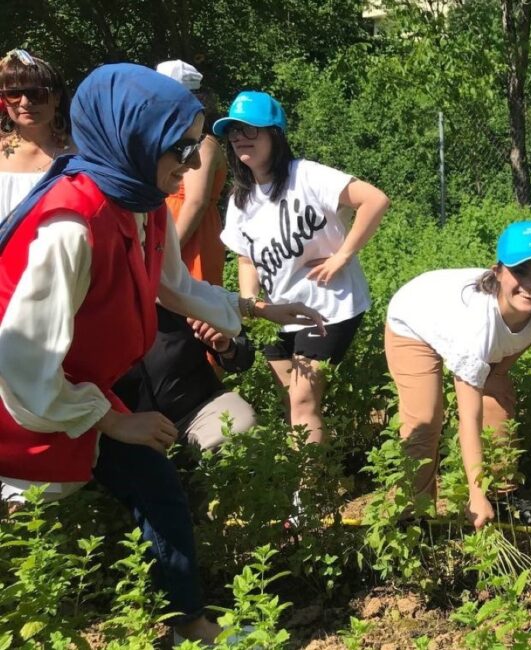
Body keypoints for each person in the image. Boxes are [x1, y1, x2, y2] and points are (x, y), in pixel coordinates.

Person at [0, 63, 324, 645]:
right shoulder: (72, 224)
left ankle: (187, 624)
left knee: (158, 488)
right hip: (24, 400)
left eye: (195, 143)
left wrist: (256, 309)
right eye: (180, 146)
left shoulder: (141, 199)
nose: (196, 163)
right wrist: (114, 422)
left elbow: (172, 284)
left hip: (85, 386)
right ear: (131, 138)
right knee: (24, 511)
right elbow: (20, 364)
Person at [217, 91, 390, 446]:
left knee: (302, 399)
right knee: (291, 402)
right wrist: (251, 303)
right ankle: (315, 475)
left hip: (328, 307)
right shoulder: (240, 199)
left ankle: (309, 499)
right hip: (281, 311)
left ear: (274, 135)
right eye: (233, 131)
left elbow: (374, 199)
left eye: (250, 129)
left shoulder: (306, 175)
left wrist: (342, 256)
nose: (239, 138)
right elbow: (246, 257)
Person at [385, 221, 531, 529]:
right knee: (426, 419)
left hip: (481, 337)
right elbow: (468, 418)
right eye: (520, 270)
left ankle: (502, 494)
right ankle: (413, 511)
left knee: (497, 397)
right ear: (498, 271)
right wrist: (474, 493)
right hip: (415, 322)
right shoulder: (476, 323)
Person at [113, 306, 257, 454]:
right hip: (126, 428)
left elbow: (243, 352)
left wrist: (228, 347)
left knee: (238, 429)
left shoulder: (174, 297)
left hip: (200, 409)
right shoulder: (92, 324)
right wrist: (115, 422)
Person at [155, 60, 230, 285]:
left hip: (189, 236)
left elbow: (196, 202)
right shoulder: (166, 140)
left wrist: (166, 255)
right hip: (164, 230)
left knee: (192, 312)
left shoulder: (204, 144)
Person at [0, 50, 73, 222]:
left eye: (36, 94)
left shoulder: (82, 152)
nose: (25, 103)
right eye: (14, 94)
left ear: (56, 97)